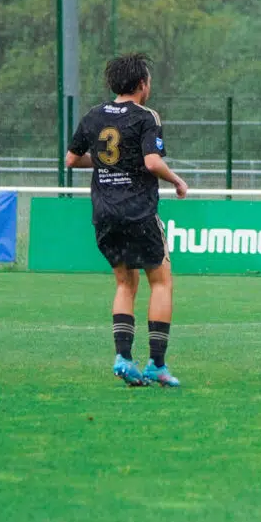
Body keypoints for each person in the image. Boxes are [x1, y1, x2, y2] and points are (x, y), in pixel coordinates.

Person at [64, 52, 190, 387]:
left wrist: (109, 166)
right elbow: (151, 162)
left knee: (124, 283)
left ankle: (123, 358)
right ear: (141, 84)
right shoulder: (146, 116)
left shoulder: (93, 116)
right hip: (137, 210)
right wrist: (176, 180)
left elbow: (71, 159)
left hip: (104, 211)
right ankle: (157, 365)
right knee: (161, 281)